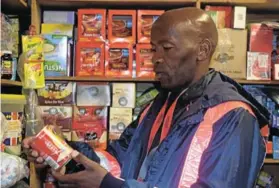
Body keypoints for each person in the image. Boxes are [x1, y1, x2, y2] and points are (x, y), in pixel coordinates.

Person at [23, 7, 270, 188]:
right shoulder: (158, 106)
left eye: (167, 48)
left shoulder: (233, 118)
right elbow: (116, 161)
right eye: (153, 49)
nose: (156, 58)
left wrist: (110, 186)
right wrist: (64, 149)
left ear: (203, 50)